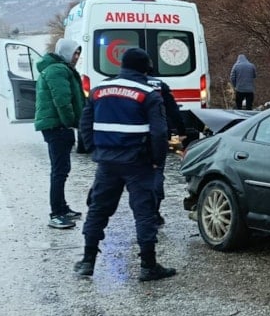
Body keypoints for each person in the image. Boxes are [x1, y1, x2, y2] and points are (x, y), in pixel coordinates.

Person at [73, 47, 176, 281]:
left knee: (98, 210)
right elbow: (159, 133)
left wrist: (95, 150)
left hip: (107, 162)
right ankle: (148, 265)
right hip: (138, 162)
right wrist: (156, 162)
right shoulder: (148, 93)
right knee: (144, 212)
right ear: (145, 68)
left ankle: (88, 261)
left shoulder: (99, 90)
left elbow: (85, 124)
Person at [35, 38, 85, 229]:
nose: (77, 56)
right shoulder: (57, 70)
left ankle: (62, 208)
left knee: (62, 170)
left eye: (78, 53)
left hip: (57, 126)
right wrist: (70, 123)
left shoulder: (59, 68)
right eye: (75, 53)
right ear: (66, 52)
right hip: (57, 127)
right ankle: (56, 213)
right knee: (59, 171)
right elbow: (62, 101)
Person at [146, 63, 187, 228]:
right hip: (158, 136)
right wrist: (182, 131)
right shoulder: (159, 86)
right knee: (156, 172)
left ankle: (143, 212)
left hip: (134, 138)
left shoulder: (127, 85)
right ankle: (154, 212)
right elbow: (173, 110)